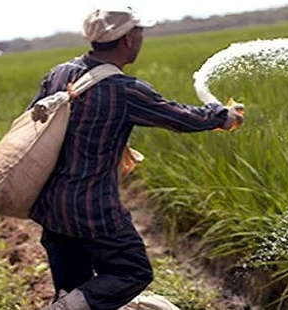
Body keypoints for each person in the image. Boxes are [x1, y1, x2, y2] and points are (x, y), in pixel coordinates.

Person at [27, 8, 244, 310]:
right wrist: (223, 116)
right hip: (93, 209)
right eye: (140, 32)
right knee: (132, 271)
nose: (142, 37)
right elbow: (180, 117)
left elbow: (32, 122)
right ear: (129, 38)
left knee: (75, 291)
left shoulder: (60, 73)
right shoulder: (124, 90)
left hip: (51, 207)